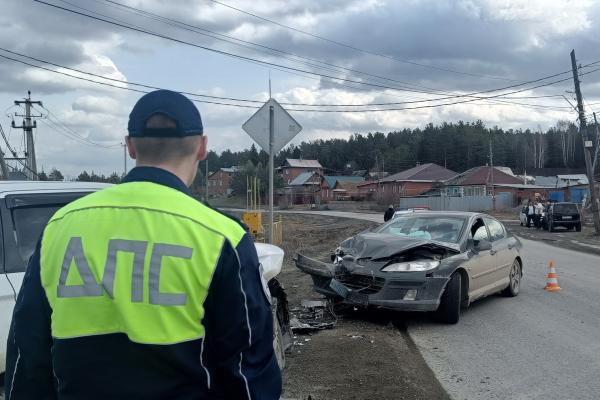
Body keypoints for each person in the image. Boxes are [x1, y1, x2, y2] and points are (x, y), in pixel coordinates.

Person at [5, 90, 281, 399]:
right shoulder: (222, 237)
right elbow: (248, 373)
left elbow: (28, 359)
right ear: (202, 148)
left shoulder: (59, 227)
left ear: (130, 145)